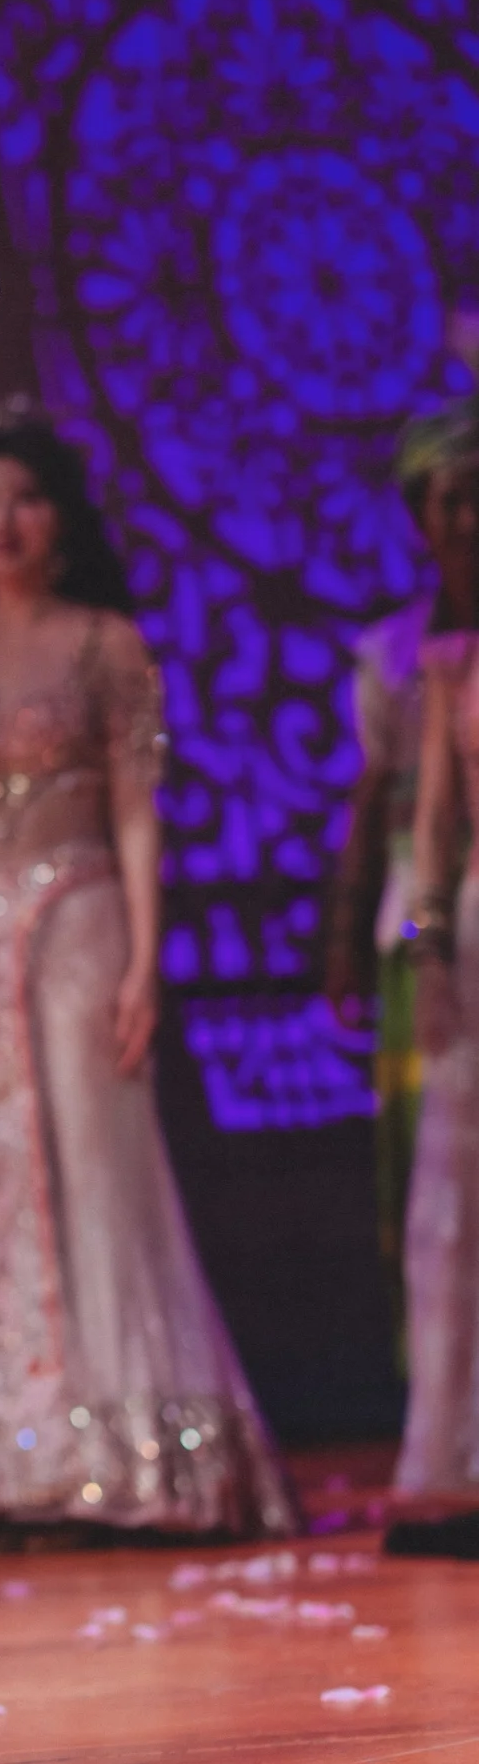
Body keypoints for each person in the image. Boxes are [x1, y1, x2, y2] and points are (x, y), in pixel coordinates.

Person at [0, 410, 296, 1545]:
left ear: (62, 520)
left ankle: (125, 1451)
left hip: (82, 919)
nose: (7, 522)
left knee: (99, 1170)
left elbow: (139, 813)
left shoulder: (108, 643)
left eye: (29, 499)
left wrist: (147, 959)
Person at [327, 387, 479, 1362]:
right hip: (419, 928)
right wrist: (344, 936)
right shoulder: (395, 653)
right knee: (429, 1150)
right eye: (450, 498)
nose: (466, 519)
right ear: (420, 513)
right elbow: (376, 800)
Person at [394, 404, 479, 1495]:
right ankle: (457, 1453)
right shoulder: (451, 663)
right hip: (475, 933)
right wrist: (425, 945)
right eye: (451, 501)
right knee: (458, 1200)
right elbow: (433, 826)